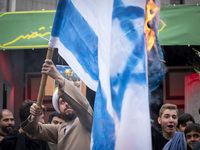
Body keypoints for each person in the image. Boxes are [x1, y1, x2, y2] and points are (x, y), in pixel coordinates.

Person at [21, 59, 93, 150]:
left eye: (70, 101)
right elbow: (34, 130)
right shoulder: (60, 130)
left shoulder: (86, 122)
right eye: (62, 102)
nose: (67, 104)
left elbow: (84, 107)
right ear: (58, 108)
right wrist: (34, 115)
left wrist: (58, 77)